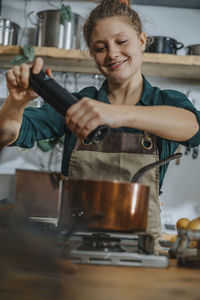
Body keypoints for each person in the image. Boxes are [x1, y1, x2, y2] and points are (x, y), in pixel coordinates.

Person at [0, 0, 200, 253]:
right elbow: (8, 133)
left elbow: (193, 128)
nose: (112, 53)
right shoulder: (74, 103)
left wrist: (115, 114)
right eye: (100, 47)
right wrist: (15, 103)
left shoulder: (165, 102)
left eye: (121, 42)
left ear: (141, 41)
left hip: (141, 246)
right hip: (75, 244)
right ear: (93, 55)